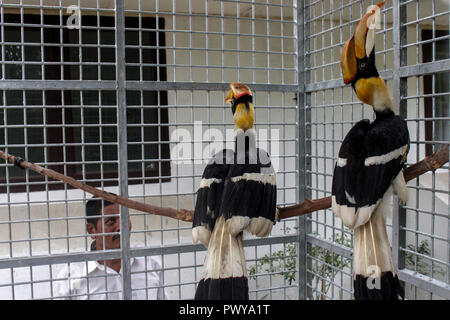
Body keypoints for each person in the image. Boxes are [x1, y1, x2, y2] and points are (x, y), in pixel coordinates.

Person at [53, 196, 168, 300]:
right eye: (111, 221)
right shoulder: (74, 273)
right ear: (92, 230)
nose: (121, 227)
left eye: (124, 218)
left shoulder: (149, 261)